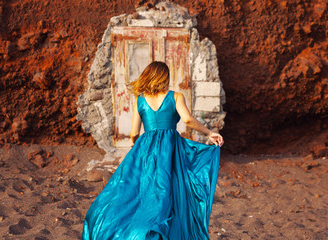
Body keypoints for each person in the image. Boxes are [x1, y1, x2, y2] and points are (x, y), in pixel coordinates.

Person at [81, 61, 224, 240]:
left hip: (145, 149)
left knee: (140, 191)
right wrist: (209, 133)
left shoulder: (141, 100)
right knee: (171, 190)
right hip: (170, 149)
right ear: (164, 77)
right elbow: (187, 120)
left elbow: (134, 132)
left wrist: (138, 147)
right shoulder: (176, 96)